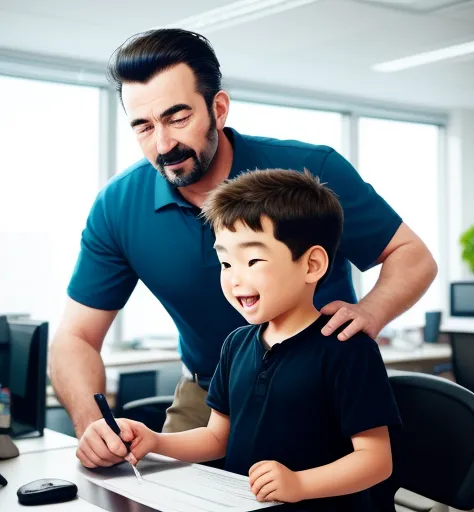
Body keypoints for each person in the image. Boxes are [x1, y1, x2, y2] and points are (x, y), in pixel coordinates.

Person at [49, 28, 436, 468]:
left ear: (218, 109)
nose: (162, 145)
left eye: (177, 118)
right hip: (208, 395)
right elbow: (75, 338)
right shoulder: (117, 207)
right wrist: (93, 428)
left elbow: (412, 254)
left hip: (315, 386)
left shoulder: (312, 172)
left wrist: (370, 312)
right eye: (143, 126)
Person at [79, 169, 402, 511]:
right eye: (225, 263)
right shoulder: (236, 344)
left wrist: (299, 483)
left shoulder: (346, 348)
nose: (235, 278)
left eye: (252, 260)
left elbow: (376, 461)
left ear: (312, 265)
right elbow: (217, 437)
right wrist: (155, 440)